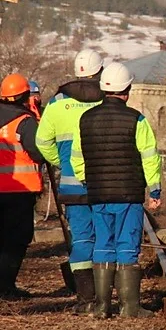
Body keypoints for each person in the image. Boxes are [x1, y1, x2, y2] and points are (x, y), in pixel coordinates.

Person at [70, 62, 162, 319]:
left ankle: (101, 306)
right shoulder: (137, 120)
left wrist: (88, 181)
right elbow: (150, 158)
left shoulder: (86, 119)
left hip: (98, 194)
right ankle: (129, 307)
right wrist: (155, 191)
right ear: (127, 89)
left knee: (102, 244)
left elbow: (77, 158)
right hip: (128, 194)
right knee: (127, 245)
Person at [36, 49, 104, 313]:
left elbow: (42, 142)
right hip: (105, 184)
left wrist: (61, 163)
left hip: (72, 184)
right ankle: (107, 295)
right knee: (105, 237)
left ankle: (86, 300)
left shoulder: (57, 104)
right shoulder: (108, 101)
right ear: (99, 71)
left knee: (82, 240)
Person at [0, 73, 44, 298]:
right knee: (16, 239)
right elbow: (39, 152)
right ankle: (6, 286)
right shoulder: (25, 122)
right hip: (19, 191)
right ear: (25, 95)